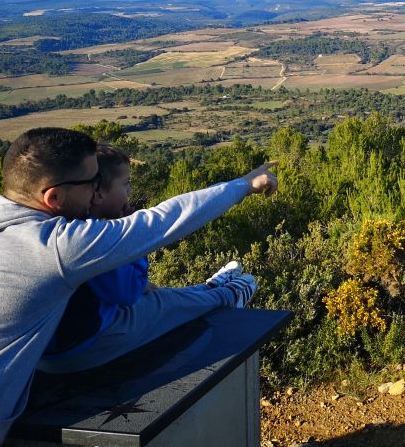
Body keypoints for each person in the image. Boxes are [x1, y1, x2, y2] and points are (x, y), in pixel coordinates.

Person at [0, 127, 277, 446]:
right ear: (54, 197)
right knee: (156, 308)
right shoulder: (58, 246)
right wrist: (245, 184)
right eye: (92, 183)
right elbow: (165, 221)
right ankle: (224, 294)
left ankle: (215, 290)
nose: (96, 191)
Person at [37, 144, 250, 373]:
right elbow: (129, 292)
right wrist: (135, 246)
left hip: (55, 348)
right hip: (81, 350)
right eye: (126, 184)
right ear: (98, 193)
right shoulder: (90, 240)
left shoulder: (65, 228)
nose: (129, 191)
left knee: (159, 294)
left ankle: (206, 288)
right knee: (159, 304)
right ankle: (227, 296)